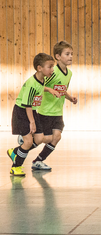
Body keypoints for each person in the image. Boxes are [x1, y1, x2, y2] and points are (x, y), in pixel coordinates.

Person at [19, 41, 78, 170]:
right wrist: (50, 90)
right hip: (46, 111)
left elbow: (62, 90)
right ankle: (21, 148)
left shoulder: (70, 74)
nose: (70, 57)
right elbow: (41, 84)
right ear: (58, 56)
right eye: (67, 54)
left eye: (72, 54)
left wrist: (69, 98)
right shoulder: (53, 72)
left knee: (57, 137)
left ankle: (38, 161)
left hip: (58, 112)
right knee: (40, 139)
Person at [7, 53, 57, 176]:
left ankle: (16, 152)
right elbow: (27, 105)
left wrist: (49, 89)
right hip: (22, 112)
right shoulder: (31, 84)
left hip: (32, 111)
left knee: (39, 139)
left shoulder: (41, 78)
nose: (52, 69)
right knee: (28, 142)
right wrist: (32, 122)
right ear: (40, 68)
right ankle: (16, 166)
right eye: (49, 67)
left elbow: (40, 88)